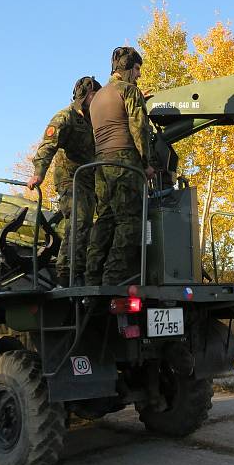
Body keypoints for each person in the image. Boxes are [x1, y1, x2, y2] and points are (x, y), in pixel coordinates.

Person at [85, 46, 155, 286]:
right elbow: (139, 129)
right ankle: (112, 279)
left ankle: (91, 276)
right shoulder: (129, 92)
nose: (138, 75)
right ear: (126, 68)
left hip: (100, 165)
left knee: (104, 219)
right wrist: (146, 164)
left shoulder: (98, 98)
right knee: (130, 221)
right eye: (136, 69)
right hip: (124, 162)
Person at [28, 76, 101, 286]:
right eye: (94, 96)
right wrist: (38, 173)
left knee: (88, 224)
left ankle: (81, 269)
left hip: (88, 180)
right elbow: (47, 146)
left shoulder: (94, 118)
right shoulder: (65, 117)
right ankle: (66, 272)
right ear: (85, 96)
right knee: (78, 220)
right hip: (70, 178)